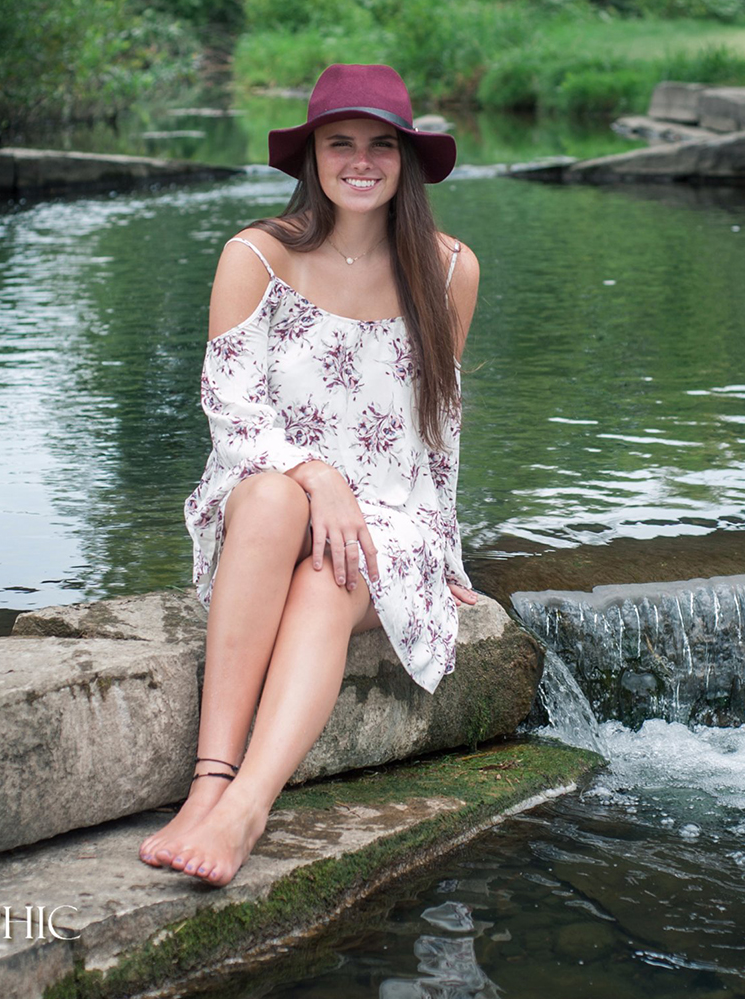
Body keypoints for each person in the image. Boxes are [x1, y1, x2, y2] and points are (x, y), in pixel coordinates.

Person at [139, 64, 482, 886]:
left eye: (380, 146)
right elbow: (232, 412)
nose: (360, 161)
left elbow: (438, 427)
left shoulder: (448, 269)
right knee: (267, 496)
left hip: (388, 517)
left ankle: (247, 809)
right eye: (341, 144)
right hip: (268, 492)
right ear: (313, 158)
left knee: (335, 572)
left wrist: (445, 549)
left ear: (406, 160)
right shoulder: (256, 257)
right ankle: (206, 785)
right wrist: (316, 477)